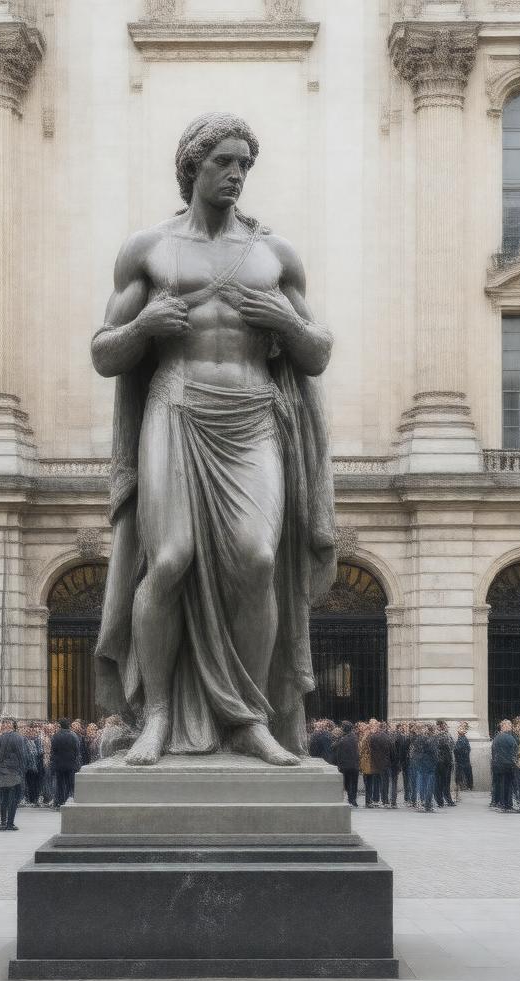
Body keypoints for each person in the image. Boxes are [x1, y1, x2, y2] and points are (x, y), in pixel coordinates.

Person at [92, 112, 335, 768]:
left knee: (257, 559)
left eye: (245, 165)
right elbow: (104, 354)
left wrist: (285, 318)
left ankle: (248, 718)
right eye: (225, 162)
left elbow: (315, 353)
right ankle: (159, 715)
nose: (236, 175)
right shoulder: (148, 249)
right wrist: (143, 326)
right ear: (192, 166)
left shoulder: (274, 254)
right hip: (174, 407)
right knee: (168, 559)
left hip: (254, 413)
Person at [0, 718, 26, 832]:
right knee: (14, 799)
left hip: (2, 771)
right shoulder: (18, 737)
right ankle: (10, 823)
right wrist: (22, 770)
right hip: (14, 771)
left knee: (3, 798)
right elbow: (22, 755)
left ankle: (3, 822)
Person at [50, 718, 81, 809]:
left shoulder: (55, 736)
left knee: (60, 784)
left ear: (61, 726)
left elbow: (53, 750)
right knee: (69, 783)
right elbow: (77, 750)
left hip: (59, 764)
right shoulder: (74, 736)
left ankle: (60, 801)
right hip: (71, 763)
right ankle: (68, 799)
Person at [491, 720, 518, 812]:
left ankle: (499, 802)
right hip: (508, 765)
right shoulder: (510, 737)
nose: (511, 726)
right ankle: (507, 804)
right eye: (509, 725)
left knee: (499, 784)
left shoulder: (496, 737)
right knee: (507, 786)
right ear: (503, 726)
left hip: (497, 764)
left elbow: (493, 751)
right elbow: (515, 750)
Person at [410, 723, 438, 813]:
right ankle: (427, 804)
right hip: (429, 766)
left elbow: (414, 753)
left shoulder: (418, 739)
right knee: (428, 785)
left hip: (421, 765)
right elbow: (434, 752)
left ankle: (421, 803)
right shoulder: (432, 739)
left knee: (421, 784)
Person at [332, 721, 360, 807]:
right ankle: (353, 800)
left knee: (348, 783)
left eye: (342, 727)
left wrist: (338, 738)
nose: (341, 729)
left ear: (345, 728)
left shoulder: (344, 739)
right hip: (354, 765)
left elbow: (333, 747)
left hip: (346, 765)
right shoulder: (354, 737)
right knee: (353, 783)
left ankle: (351, 799)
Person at [369, 722, 393, 808]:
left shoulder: (372, 737)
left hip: (375, 763)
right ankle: (385, 800)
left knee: (376, 782)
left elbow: (370, 750)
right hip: (385, 763)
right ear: (385, 728)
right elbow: (391, 751)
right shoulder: (388, 738)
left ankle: (375, 800)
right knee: (385, 782)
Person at [434, 720, 455, 807]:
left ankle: (447, 800)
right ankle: (440, 801)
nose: (446, 727)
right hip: (440, 762)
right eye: (444, 725)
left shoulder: (446, 735)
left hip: (447, 762)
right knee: (440, 782)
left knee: (446, 782)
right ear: (439, 726)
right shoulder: (438, 736)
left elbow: (452, 745)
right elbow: (450, 745)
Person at [358, 722, 379, 807]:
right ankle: (368, 801)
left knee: (368, 783)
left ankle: (369, 801)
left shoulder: (364, 737)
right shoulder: (368, 738)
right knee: (369, 783)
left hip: (365, 763)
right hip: (368, 764)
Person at [454, 721, 472, 792]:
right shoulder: (462, 738)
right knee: (463, 773)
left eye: (461, 728)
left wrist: (455, 751)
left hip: (462, 761)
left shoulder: (462, 739)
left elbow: (458, 749)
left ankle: (464, 786)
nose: (459, 729)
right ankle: (465, 785)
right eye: (459, 727)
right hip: (463, 760)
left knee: (462, 774)